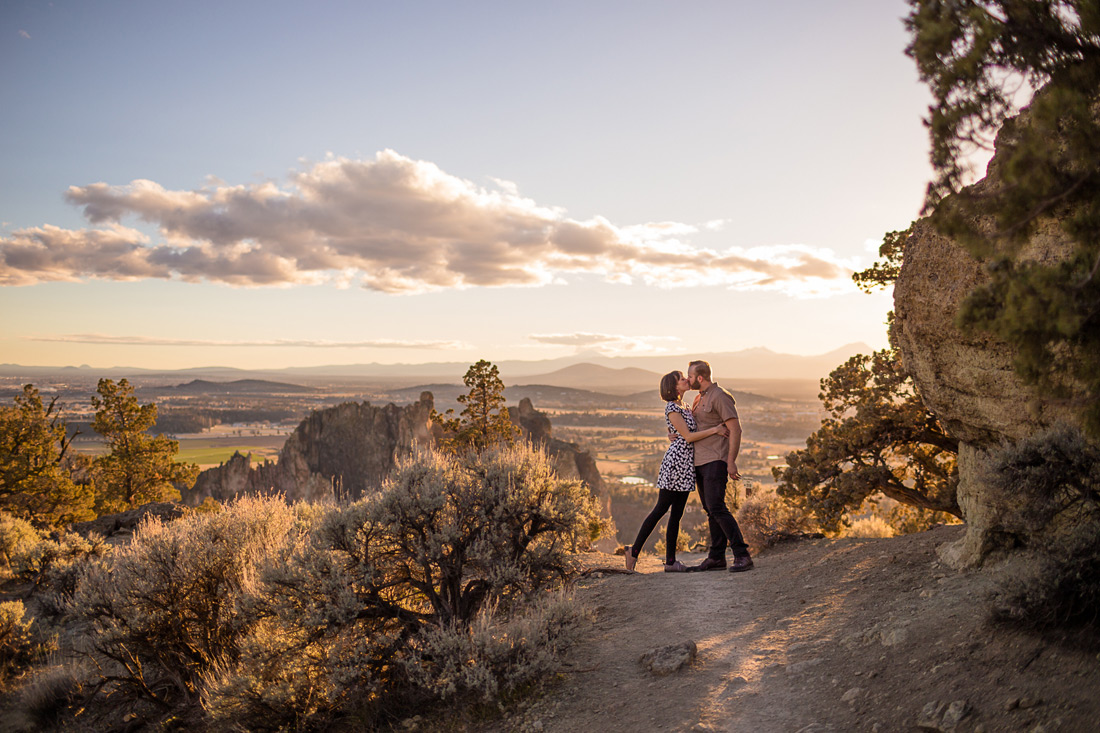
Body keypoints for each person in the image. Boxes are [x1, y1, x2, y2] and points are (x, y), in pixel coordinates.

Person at [625, 370, 728, 573]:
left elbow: (682, 433)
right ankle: (634, 551)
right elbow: (689, 437)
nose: (685, 380)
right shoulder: (672, 408)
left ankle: (671, 561)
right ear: (673, 387)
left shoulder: (685, 406)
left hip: (685, 465)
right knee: (660, 509)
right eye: (681, 379)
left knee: (677, 514)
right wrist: (716, 429)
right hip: (676, 464)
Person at [687, 359, 753, 572]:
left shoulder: (720, 396)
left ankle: (742, 554)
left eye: (690, 376)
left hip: (716, 460)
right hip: (700, 461)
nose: (687, 380)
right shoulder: (699, 398)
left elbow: (736, 429)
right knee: (710, 510)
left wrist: (731, 461)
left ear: (699, 377)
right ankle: (716, 557)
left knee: (717, 507)